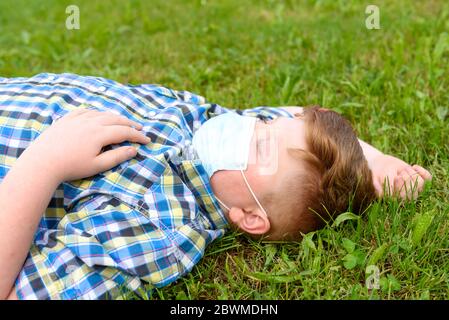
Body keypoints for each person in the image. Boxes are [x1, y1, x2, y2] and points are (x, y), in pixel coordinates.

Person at [0, 73, 431, 300]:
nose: (247, 125)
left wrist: (46, 161)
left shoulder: (160, 231)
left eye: (261, 145)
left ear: (250, 217)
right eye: (264, 122)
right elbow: (296, 118)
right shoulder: (209, 126)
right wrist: (377, 163)